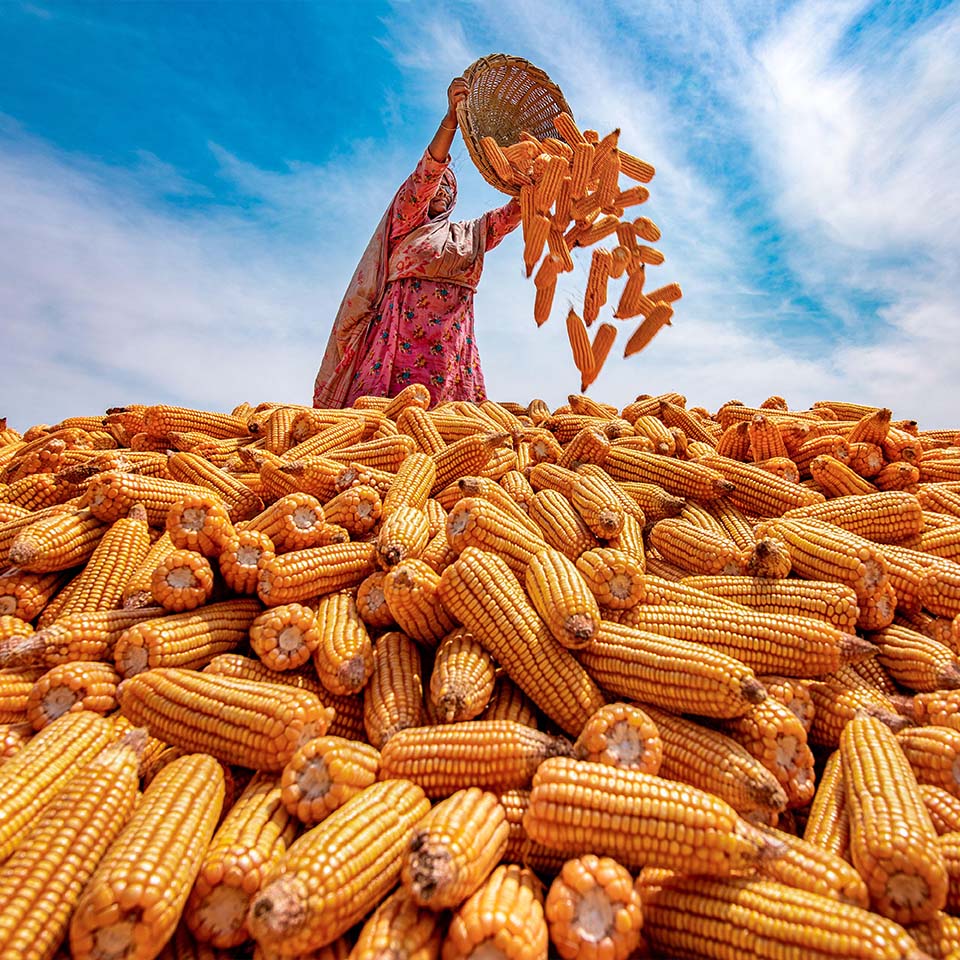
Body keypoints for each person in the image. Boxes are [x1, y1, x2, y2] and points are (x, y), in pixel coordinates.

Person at [312, 77, 522, 408]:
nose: (442, 189)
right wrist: (450, 120)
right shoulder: (406, 222)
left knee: (444, 417)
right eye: (440, 184)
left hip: (449, 344)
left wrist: (540, 181)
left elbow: (510, 215)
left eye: (450, 188)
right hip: (401, 334)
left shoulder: (470, 235)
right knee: (392, 413)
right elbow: (427, 173)